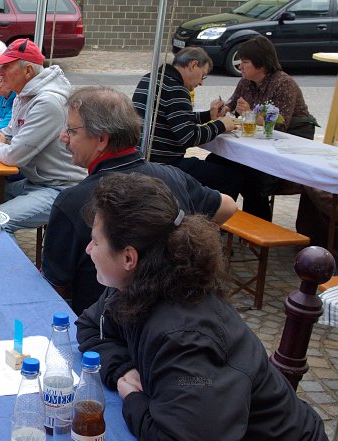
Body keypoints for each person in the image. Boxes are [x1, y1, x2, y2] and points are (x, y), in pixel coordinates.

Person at [76, 172, 330, 441]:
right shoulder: (135, 284)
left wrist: (133, 398)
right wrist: (123, 370)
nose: (89, 249)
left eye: (96, 241)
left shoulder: (185, 339)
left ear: (129, 257)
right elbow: (90, 326)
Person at [42, 87, 237, 314]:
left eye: (71, 131)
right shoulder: (173, 175)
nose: (63, 137)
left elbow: (54, 288)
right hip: (176, 311)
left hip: (105, 322)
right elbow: (228, 206)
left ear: (102, 139)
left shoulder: (72, 202)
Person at [0, 38, 86, 232]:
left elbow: (15, 156)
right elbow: (7, 134)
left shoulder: (47, 102)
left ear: (28, 71)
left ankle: (7, 253)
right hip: (35, 182)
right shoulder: (23, 95)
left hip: (60, 188)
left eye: (6, 67)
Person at [211, 35, 319, 220]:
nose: (240, 66)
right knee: (215, 162)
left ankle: (255, 226)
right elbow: (233, 102)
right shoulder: (246, 81)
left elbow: (280, 124)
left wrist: (250, 113)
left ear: (261, 64)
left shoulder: (283, 84)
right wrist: (223, 108)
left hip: (284, 147)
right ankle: (218, 216)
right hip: (256, 143)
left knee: (251, 176)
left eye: (245, 62)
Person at [131, 47, 242, 199]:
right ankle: (211, 212)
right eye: (203, 75)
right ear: (193, 65)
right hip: (163, 165)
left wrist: (208, 116)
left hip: (141, 159)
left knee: (215, 166)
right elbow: (189, 137)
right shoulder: (177, 89)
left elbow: (174, 119)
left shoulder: (149, 78)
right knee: (232, 178)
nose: (201, 83)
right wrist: (222, 125)